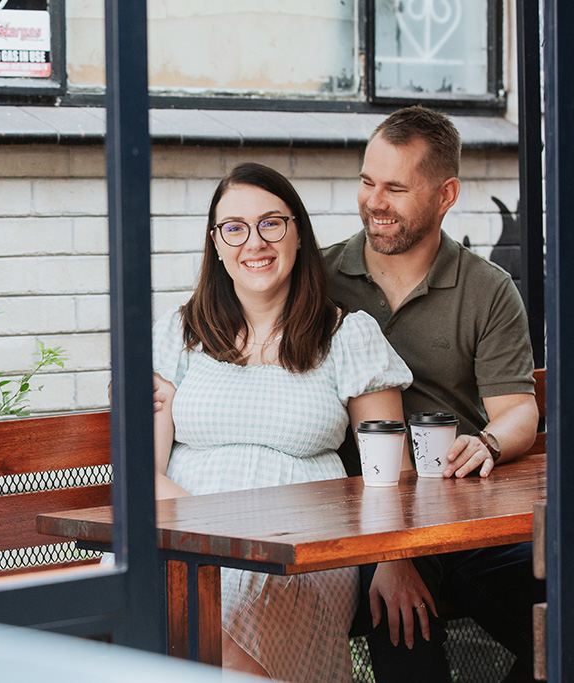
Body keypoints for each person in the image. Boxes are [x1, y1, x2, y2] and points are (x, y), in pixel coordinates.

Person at [152, 162, 413, 681]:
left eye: (272, 223)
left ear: (298, 234)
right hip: (185, 536)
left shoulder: (346, 336)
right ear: (217, 244)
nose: (255, 242)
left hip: (303, 549)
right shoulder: (179, 334)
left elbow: (393, 472)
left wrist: (394, 561)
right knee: (172, 585)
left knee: (232, 595)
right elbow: (143, 470)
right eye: (235, 228)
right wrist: (221, 530)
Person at [322, 105, 542, 682]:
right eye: (368, 181)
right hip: (365, 522)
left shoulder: (487, 289)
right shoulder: (318, 281)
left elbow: (518, 409)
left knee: (568, 611)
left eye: (396, 187)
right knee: (400, 624)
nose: (375, 201)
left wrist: (490, 444)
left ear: (446, 194)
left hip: (464, 517)